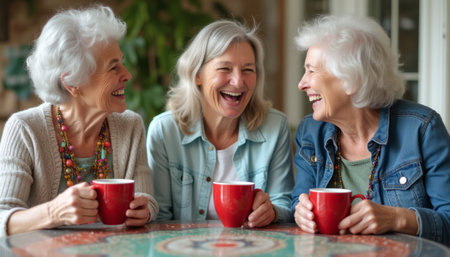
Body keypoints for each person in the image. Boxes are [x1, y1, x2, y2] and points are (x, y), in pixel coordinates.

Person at [0, 5, 158, 237]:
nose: (127, 74)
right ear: (72, 83)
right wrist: (54, 212)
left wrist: (146, 210)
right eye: (113, 67)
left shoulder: (130, 126)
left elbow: (148, 201)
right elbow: (3, 217)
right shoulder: (25, 129)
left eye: (121, 63)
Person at [291, 15, 450, 246]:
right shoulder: (311, 131)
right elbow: (299, 199)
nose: (302, 83)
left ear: (351, 79)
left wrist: (397, 218)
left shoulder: (422, 129)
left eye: (312, 71)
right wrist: (300, 211)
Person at [147, 20, 294, 227]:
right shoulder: (164, 131)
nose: (238, 81)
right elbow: (157, 218)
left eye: (248, 70)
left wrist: (273, 211)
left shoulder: (275, 127)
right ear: (197, 75)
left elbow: (285, 204)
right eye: (225, 68)